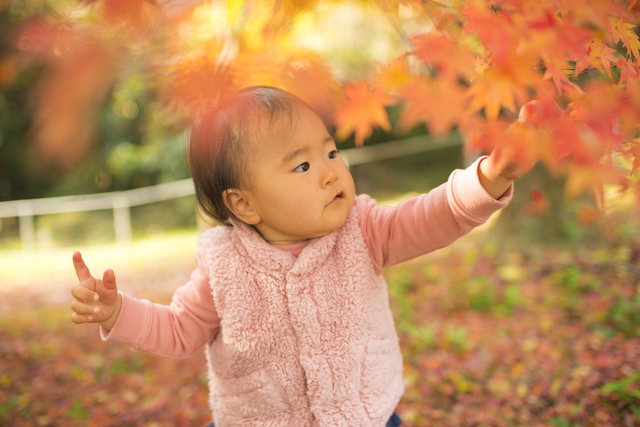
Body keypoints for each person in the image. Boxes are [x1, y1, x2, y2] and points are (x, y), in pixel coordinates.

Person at [70, 86, 534, 427]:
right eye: (304, 165)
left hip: (364, 416)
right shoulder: (224, 265)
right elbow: (178, 329)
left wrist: (490, 177)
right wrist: (118, 312)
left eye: (331, 152)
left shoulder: (362, 229)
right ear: (244, 204)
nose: (332, 172)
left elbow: (430, 216)